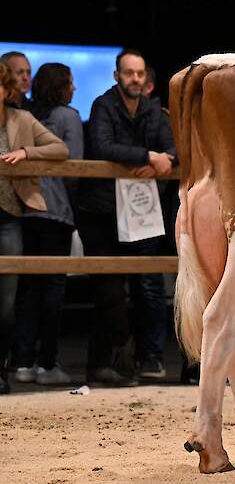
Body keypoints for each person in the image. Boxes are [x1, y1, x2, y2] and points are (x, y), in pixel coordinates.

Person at [76, 49, 176, 386]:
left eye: (139, 73)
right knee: (110, 290)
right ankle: (111, 361)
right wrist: (148, 156)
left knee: (146, 287)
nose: (135, 79)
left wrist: (165, 161)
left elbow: (173, 147)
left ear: (146, 78)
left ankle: (142, 359)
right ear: (117, 75)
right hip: (101, 211)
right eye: (128, 73)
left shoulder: (152, 108)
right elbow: (102, 146)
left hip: (141, 212)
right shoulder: (103, 105)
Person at [11, 63, 84, 386]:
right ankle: (46, 363)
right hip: (55, 212)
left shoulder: (28, 114)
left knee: (28, 289)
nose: (75, 88)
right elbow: (75, 166)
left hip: (27, 208)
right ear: (62, 85)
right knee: (53, 289)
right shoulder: (68, 116)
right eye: (71, 82)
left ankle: (22, 362)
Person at [0, 60, 69, 394]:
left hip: (10, 217)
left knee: (8, 300)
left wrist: (27, 151)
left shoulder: (21, 118)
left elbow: (62, 149)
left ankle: (2, 369)